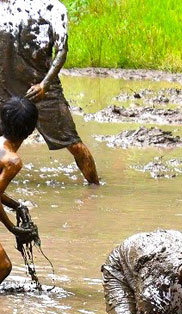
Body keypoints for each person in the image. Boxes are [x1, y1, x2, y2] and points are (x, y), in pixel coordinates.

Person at [0, 0, 99, 184]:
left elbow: (62, 50)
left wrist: (44, 85)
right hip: (5, 86)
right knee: (3, 144)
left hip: (43, 88)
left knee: (73, 142)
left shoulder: (53, 8)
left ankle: (95, 188)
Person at [0, 96, 39, 285]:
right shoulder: (12, 161)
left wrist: (16, 205)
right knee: (3, 266)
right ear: (31, 130)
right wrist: (12, 227)